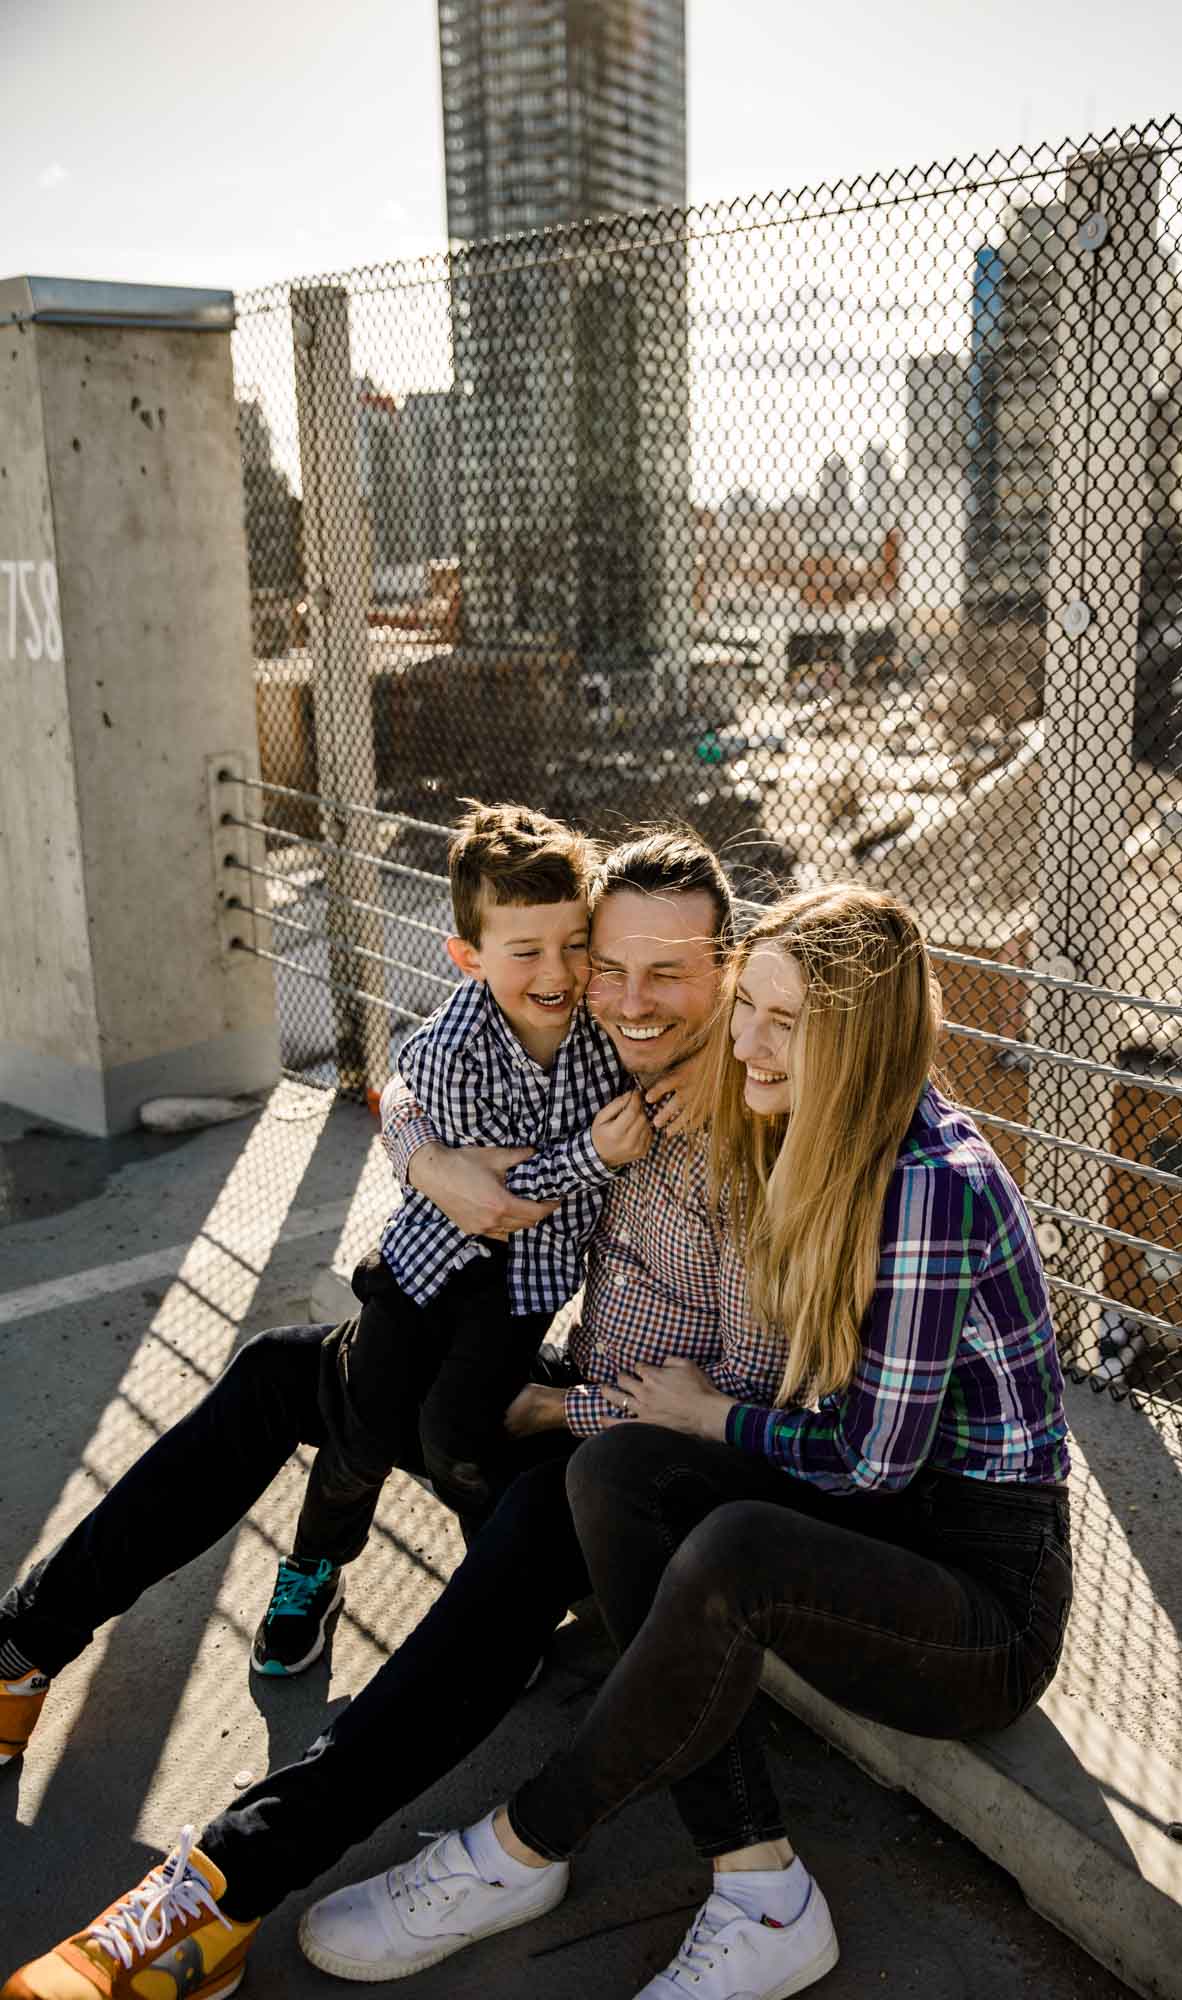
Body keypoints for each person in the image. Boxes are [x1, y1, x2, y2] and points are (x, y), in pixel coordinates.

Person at [1, 834, 790, 2000]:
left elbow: (738, 1398)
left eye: (662, 974)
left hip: (622, 1457)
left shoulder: (754, 1137)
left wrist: (554, 1400)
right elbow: (429, 1060)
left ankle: (219, 1891)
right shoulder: (599, 1037)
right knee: (284, 1371)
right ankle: (22, 1649)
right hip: (531, 1364)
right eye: (603, 963)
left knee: (489, 1561)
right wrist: (424, 1155)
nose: (616, 997)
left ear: (725, 970)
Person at [285, 884, 1074, 2000]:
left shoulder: (927, 1185)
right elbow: (469, 1061)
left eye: (783, 1022)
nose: (745, 1039)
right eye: (747, 1002)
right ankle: (761, 1887)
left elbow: (868, 1461)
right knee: (611, 1470)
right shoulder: (817, 1126)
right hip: (877, 1523)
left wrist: (709, 1415)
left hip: (978, 1601)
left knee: (734, 1548)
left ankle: (518, 1848)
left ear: (858, 1036)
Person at [249, 799, 651, 1677]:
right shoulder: (448, 1050)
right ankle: (312, 1568)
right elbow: (494, 1202)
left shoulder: (605, 1038)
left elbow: (528, 1180)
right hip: (429, 1273)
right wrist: (590, 1152)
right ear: (468, 956)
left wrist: (552, 1160)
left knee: (462, 1442)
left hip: (520, 1294)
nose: (557, 970)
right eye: (525, 951)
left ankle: (497, 1594)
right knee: (362, 1433)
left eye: (574, 943)